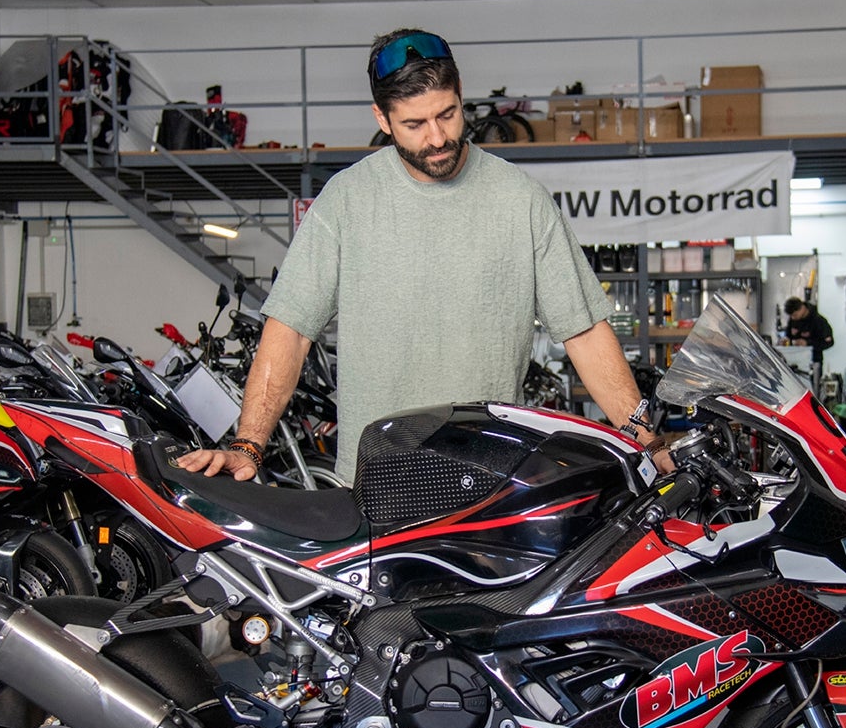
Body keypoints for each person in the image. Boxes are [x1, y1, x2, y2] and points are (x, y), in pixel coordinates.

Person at [177, 28, 674, 484]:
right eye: (414, 124)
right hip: (381, 481)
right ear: (382, 119)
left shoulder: (520, 199)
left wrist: (644, 437)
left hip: (491, 477)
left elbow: (583, 330)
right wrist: (249, 444)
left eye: (447, 114)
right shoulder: (345, 200)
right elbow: (290, 329)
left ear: (462, 99)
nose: (436, 138)